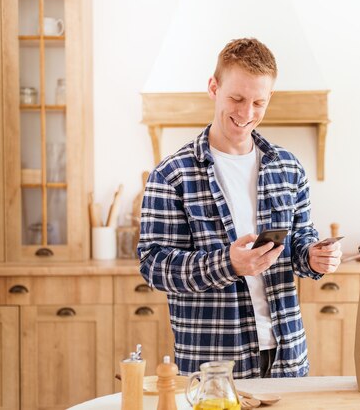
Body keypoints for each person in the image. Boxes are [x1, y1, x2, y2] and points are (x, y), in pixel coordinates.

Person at [137, 37, 342, 379]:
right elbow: (154, 265)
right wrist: (227, 263)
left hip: (286, 356)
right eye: (236, 98)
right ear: (213, 87)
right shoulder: (172, 174)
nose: (247, 113)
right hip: (215, 361)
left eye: (258, 102)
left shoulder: (289, 169)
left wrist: (314, 258)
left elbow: (300, 243)